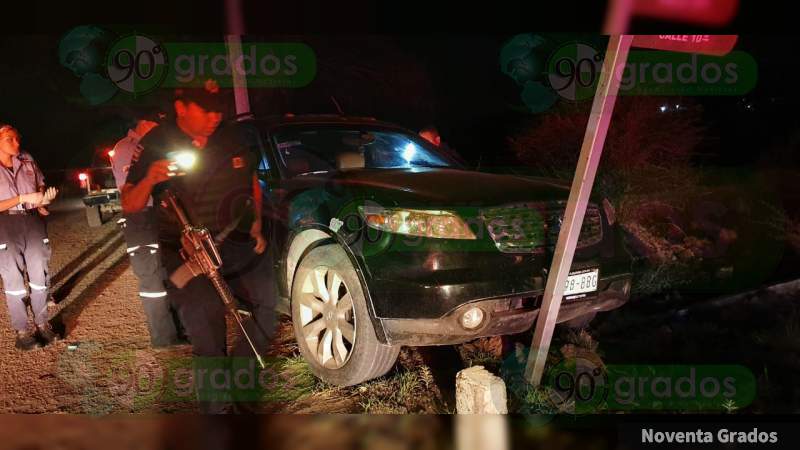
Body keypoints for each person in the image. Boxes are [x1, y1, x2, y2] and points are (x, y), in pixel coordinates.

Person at [122, 80, 275, 413]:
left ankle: (240, 381)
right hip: (184, 250)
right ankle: (219, 411)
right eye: (206, 109)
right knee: (207, 328)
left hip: (236, 244)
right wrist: (150, 178)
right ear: (181, 107)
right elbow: (130, 204)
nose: (214, 116)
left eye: (218, 108)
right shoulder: (156, 142)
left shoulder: (232, 135)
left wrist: (257, 223)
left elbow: (251, 180)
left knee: (265, 313)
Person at [110, 112, 182, 347]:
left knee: (167, 272)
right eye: (155, 124)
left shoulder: (151, 145)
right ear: (143, 122)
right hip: (140, 216)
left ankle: (178, 329)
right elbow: (129, 189)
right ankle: (164, 338)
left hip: (160, 214)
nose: (159, 129)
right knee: (151, 279)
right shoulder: (126, 148)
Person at [0, 123, 59, 350]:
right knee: (14, 280)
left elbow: (39, 185)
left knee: (39, 275)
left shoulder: (27, 158)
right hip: (5, 223)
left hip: (33, 220)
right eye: (10, 139)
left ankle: (43, 325)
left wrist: (43, 201)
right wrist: (23, 197)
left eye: (18, 138)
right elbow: (25, 195)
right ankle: (22, 331)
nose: (17, 143)